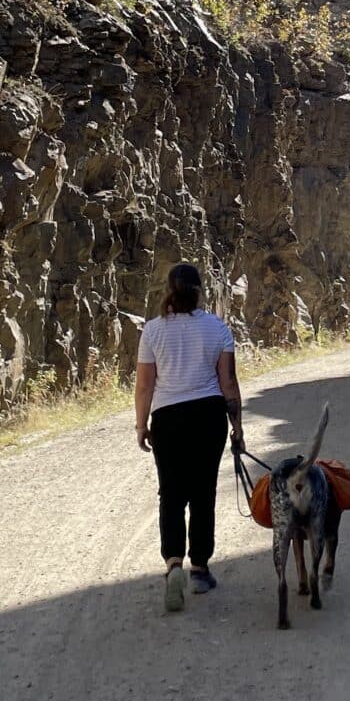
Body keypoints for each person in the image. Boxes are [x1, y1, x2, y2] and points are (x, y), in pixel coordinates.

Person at [135, 262, 244, 613]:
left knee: (170, 493)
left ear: (169, 289)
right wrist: (237, 426)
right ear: (199, 291)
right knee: (202, 492)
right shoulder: (218, 328)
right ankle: (199, 569)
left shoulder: (152, 331)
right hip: (208, 415)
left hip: (168, 418)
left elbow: (144, 384)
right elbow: (228, 383)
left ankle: (173, 564)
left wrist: (142, 425)